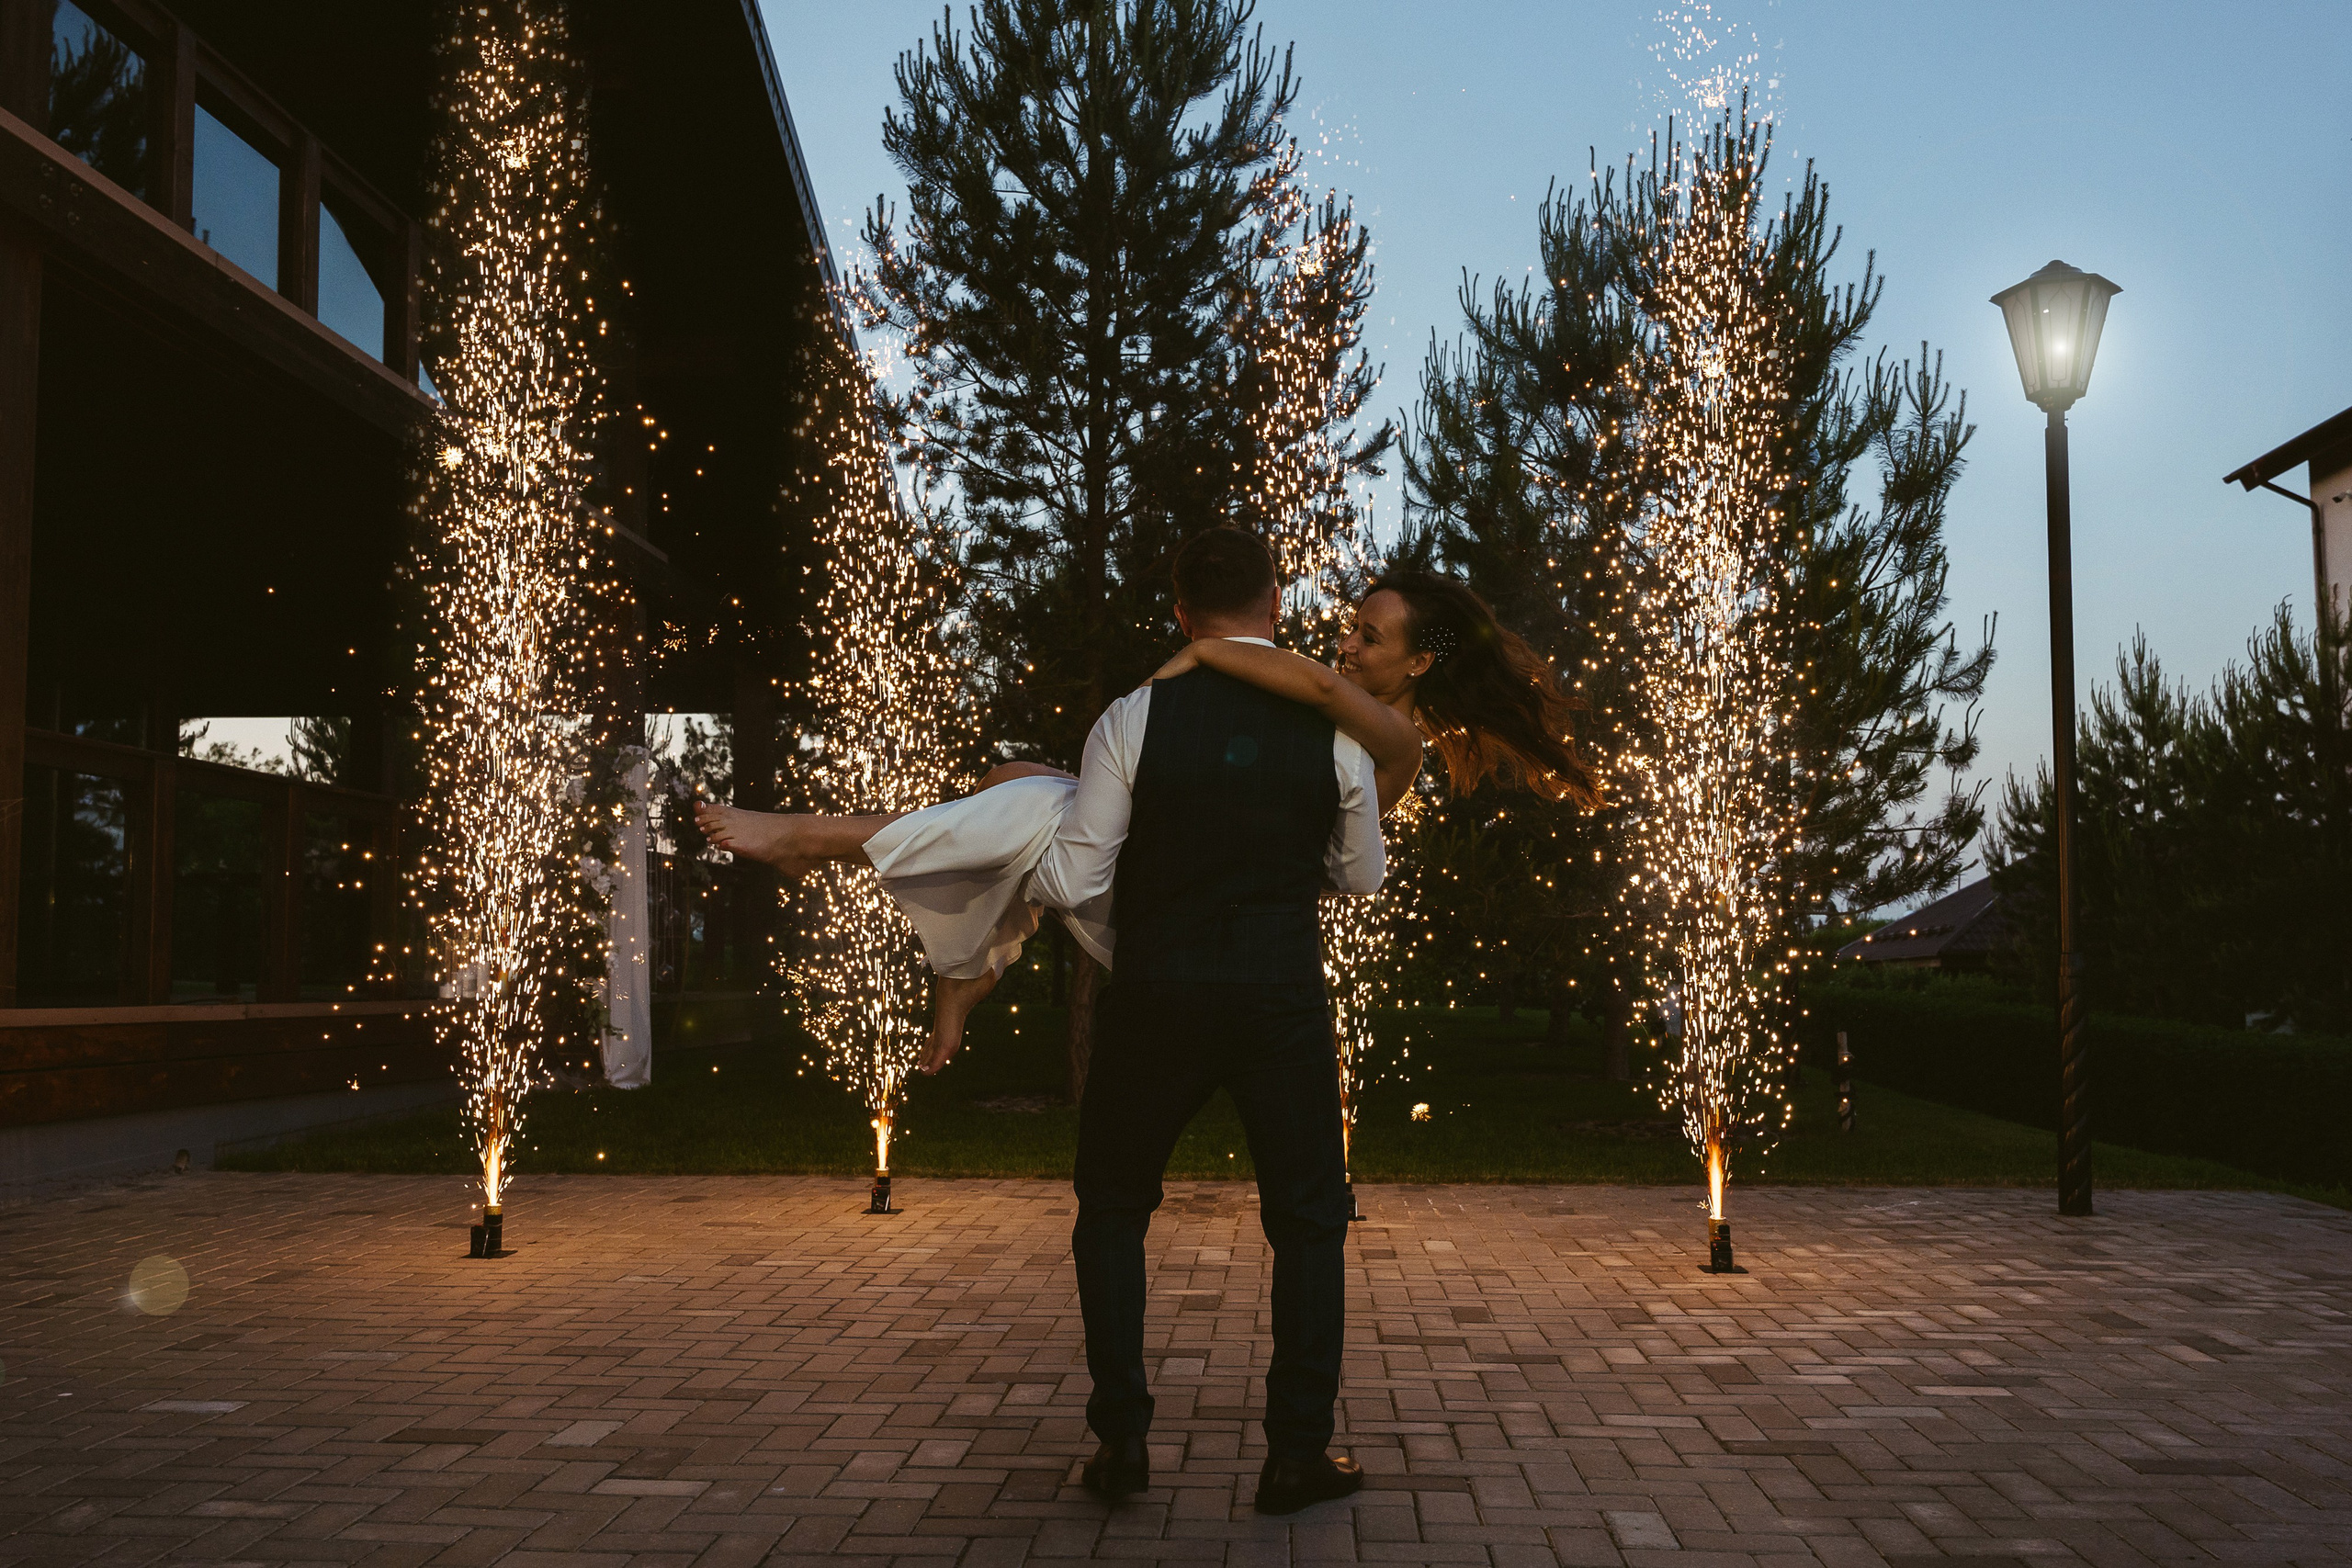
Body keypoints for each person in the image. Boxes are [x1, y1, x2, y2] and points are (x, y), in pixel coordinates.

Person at [697, 532, 1595, 1514]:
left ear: (1180, 613)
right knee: (1308, 1225)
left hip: (1159, 984)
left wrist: (1089, 850)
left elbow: (1077, 876)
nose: (1344, 643)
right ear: (1276, 604)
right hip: (1277, 997)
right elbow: (1355, 875)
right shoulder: (1342, 742)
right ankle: (1296, 1456)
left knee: (1114, 1210)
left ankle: (1121, 1442)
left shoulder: (1137, 714)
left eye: (1366, 634)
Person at [697, 562, 1596, 1066]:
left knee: (1031, 805)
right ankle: (973, 966)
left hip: (1199, 911)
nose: (1345, 644)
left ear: (1421, 665)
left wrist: (1199, 654)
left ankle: (815, 837)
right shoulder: (1344, 719)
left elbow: (1313, 685)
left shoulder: (1391, 740)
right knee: (1015, 778)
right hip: (1180, 866)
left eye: (1369, 636)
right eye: (1350, 626)